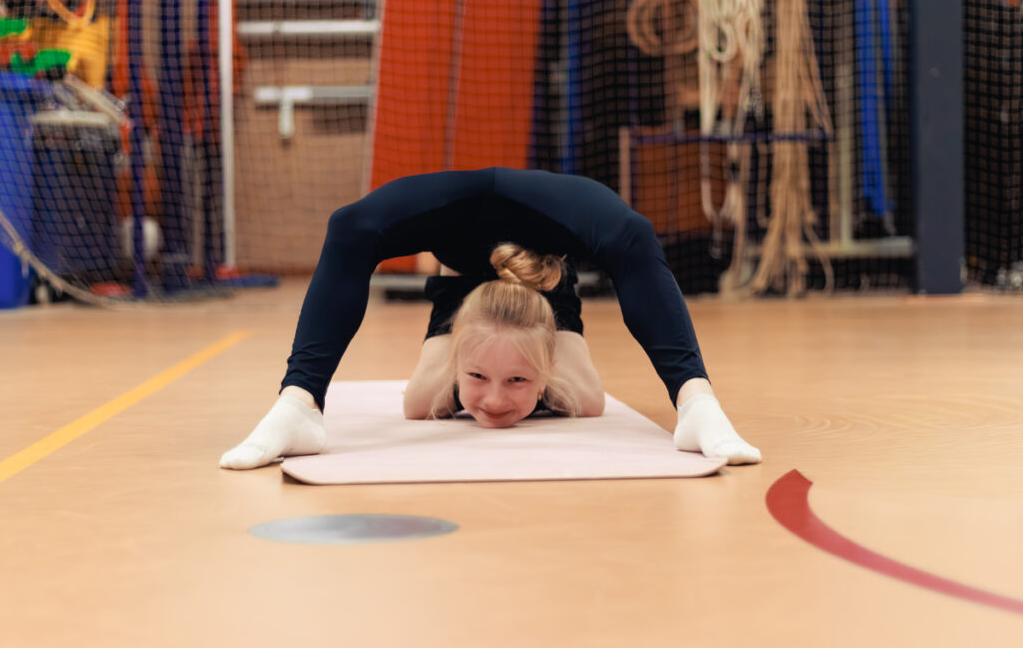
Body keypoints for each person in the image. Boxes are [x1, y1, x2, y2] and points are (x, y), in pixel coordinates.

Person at [220, 168, 761, 470]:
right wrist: (305, 390)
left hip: (543, 266)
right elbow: (353, 231)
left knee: (631, 237)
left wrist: (691, 394)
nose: (496, 404)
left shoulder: (556, 278)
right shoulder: (459, 285)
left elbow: (630, 246)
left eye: (518, 382)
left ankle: (698, 404)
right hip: (461, 240)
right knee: (350, 227)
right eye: (478, 379)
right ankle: (298, 406)